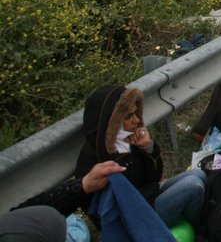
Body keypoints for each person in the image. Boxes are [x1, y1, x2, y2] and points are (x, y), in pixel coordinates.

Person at [75, 85, 206, 228]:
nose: (137, 120)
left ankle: (190, 221)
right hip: (136, 219)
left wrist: (147, 147)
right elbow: (98, 210)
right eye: (128, 116)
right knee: (193, 185)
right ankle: (197, 228)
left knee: (199, 174)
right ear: (111, 121)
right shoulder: (94, 159)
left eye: (136, 113)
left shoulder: (128, 139)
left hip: (149, 196)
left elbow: (154, 178)